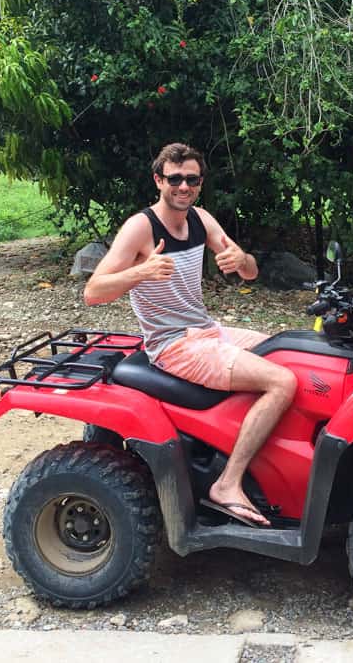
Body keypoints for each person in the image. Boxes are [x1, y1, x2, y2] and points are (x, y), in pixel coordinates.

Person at [84, 142, 297, 526]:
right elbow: (93, 292)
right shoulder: (140, 227)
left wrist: (242, 261)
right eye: (175, 179)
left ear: (200, 183)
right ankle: (228, 484)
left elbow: (249, 272)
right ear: (158, 180)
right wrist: (140, 272)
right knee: (281, 381)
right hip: (173, 345)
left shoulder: (201, 218)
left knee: (286, 351)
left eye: (192, 180)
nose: (183, 187)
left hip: (207, 331)